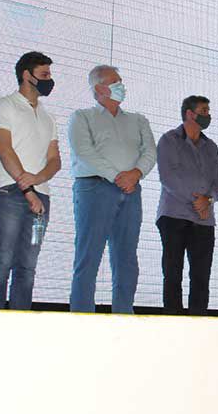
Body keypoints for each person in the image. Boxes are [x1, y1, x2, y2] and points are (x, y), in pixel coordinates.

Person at [68, 65, 156, 314]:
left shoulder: (138, 120)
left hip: (131, 191)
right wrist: (117, 176)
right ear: (99, 88)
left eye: (120, 81)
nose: (121, 86)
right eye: (115, 82)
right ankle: (82, 317)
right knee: (89, 255)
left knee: (126, 258)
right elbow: (84, 151)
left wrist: (135, 174)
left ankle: (124, 315)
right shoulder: (82, 117)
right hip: (94, 188)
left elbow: (150, 151)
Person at [0, 52, 61, 310]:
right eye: (44, 74)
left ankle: (20, 321)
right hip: (9, 194)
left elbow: (55, 160)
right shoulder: (5, 105)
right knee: (2, 261)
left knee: (27, 266)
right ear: (27, 75)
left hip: (41, 200)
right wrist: (28, 189)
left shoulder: (49, 117)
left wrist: (38, 180)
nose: (49, 80)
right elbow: (4, 149)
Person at [156, 95, 218, 315]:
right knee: (172, 273)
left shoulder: (211, 146)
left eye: (208, 111)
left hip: (204, 220)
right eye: (204, 111)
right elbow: (168, 177)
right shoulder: (169, 140)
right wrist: (197, 202)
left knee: (201, 276)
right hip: (173, 216)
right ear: (189, 113)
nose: (208, 115)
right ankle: (172, 320)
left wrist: (208, 200)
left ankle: (199, 321)